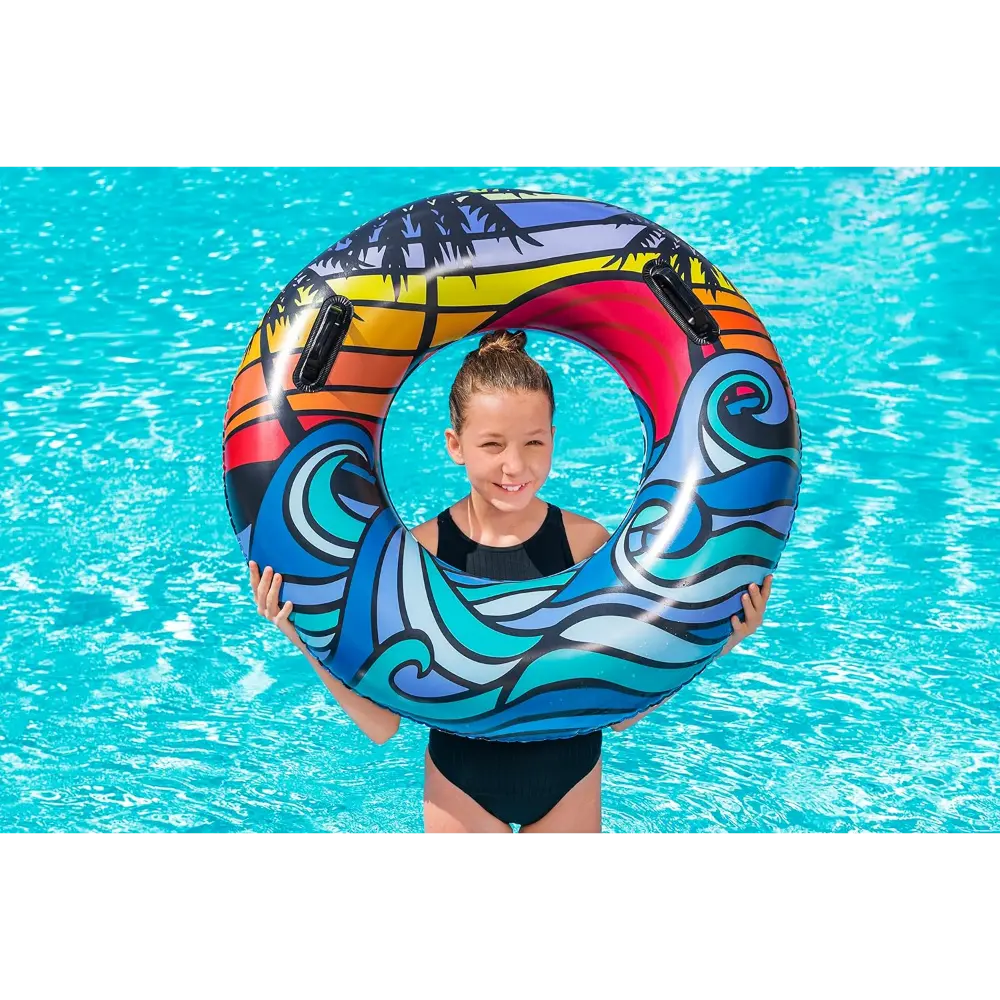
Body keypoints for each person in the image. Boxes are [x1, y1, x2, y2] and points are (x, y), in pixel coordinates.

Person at [249, 329, 773, 835]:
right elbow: (382, 725)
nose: (515, 465)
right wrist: (302, 633)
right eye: (492, 444)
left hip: (571, 779)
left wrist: (716, 640)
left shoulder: (588, 544)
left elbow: (620, 707)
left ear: (553, 440)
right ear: (456, 445)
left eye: (533, 442)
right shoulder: (420, 552)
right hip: (461, 786)